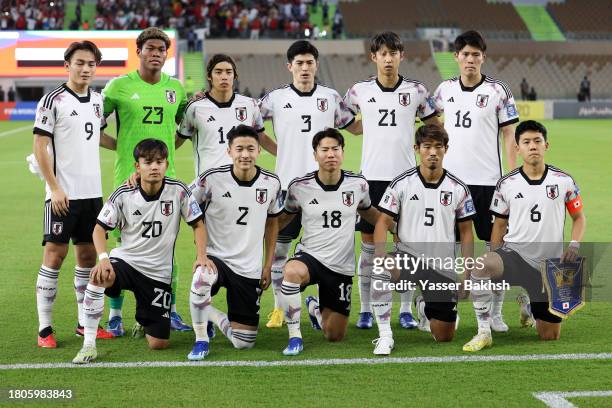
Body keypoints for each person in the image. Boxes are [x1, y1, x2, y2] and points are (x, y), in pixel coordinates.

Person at [72, 139, 207, 364]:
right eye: (147, 162)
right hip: (127, 261)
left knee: (159, 344)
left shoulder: (179, 191)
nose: (154, 167)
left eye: (159, 162)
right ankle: (88, 345)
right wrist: (103, 258)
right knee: (99, 275)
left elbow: (198, 224)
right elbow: (98, 229)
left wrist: (201, 255)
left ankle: (143, 318)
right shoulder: (123, 193)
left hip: (157, 273)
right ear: (137, 167)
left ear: (166, 164)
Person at [259, 40, 360, 328]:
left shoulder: (330, 97)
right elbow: (252, 126)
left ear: (316, 65)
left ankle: (318, 304)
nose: (305, 68)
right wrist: (279, 150)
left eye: (309, 63)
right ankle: (280, 309)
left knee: (326, 250)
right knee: (278, 251)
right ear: (289, 66)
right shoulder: (275, 98)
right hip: (287, 189)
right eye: (299, 63)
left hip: (325, 190)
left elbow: (353, 126)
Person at [463, 120, 586, 352]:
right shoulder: (506, 184)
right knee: (481, 266)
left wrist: (574, 246)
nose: (532, 146)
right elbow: (499, 226)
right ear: (517, 148)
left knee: (549, 336)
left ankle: (529, 306)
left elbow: (579, 217)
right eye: (526, 142)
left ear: (546, 145)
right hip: (515, 257)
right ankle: (483, 331)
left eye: (537, 141)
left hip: (549, 267)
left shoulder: (564, 181)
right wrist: (495, 256)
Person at [344, 31, 439, 330]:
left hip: (406, 181)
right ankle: (367, 309)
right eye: (382, 53)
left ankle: (405, 310)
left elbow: (434, 124)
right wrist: (365, 128)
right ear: (373, 57)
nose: (388, 59)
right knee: (370, 248)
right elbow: (344, 120)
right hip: (370, 180)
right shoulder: (359, 91)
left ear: (401, 56)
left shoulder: (417, 91)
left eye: (393, 53)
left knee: (406, 248)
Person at [102, 27, 190, 335]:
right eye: (150, 48)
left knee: (166, 249)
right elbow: (92, 123)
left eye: (161, 49)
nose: (156, 53)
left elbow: (186, 126)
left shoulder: (176, 88)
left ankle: (169, 310)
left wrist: (162, 160)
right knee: (123, 249)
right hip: (125, 182)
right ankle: (115, 315)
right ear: (138, 51)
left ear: (166, 54)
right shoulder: (118, 87)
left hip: (166, 182)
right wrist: (121, 148)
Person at [432, 30, 519, 332]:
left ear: (483, 57)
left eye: (476, 54)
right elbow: (435, 129)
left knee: (495, 250)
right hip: (452, 186)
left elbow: (510, 134)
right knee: (450, 251)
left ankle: (495, 313)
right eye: (465, 54)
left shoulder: (499, 91)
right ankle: (449, 309)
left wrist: (510, 175)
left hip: (489, 183)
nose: (471, 59)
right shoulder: (443, 90)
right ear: (456, 57)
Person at [33, 41, 116, 348]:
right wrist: (54, 187)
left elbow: (97, 136)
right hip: (62, 194)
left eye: (91, 64)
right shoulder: (52, 100)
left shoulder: (97, 101)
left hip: (92, 194)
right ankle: (45, 329)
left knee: (86, 257)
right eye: (80, 62)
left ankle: (84, 324)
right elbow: (40, 146)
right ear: (67, 65)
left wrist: (122, 146)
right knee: (55, 256)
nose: (85, 68)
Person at [371, 124, 475, 355]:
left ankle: (423, 306)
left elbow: (467, 232)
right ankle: (385, 336)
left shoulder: (458, 188)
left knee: (444, 336)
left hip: (441, 266)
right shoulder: (402, 183)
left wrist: (467, 275)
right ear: (417, 148)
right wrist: (380, 256)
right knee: (380, 268)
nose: (433, 152)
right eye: (427, 146)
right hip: (408, 257)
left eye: (438, 147)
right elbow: (382, 222)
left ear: (446, 149)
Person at [278, 128, 380, 356]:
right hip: (310, 257)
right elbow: (284, 217)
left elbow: (369, 213)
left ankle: (315, 308)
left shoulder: (358, 185)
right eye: (324, 150)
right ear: (315, 154)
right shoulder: (299, 187)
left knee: (335, 335)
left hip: (340, 266)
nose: (330, 154)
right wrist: (260, 231)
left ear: (343, 152)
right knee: (292, 272)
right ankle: (295, 337)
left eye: (335, 149)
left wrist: (397, 228)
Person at [187, 125, 282, 360]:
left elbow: (272, 224)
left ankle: (213, 316)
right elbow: (182, 201)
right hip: (216, 259)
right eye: (239, 149)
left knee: (243, 343)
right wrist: (201, 255)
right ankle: (201, 340)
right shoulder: (210, 180)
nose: (245, 155)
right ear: (229, 151)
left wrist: (268, 265)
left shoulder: (271, 183)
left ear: (259, 150)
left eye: (251, 149)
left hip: (248, 268)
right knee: (200, 279)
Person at [177, 54, 277, 177]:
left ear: (234, 76)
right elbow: (177, 140)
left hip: (241, 183)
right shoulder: (195, 108)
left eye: (228, 72)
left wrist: (286, 156)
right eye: (218, 72)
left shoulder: (250, 105)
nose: (224, 77)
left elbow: (261, 137)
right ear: (209, 76)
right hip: (208, 186)